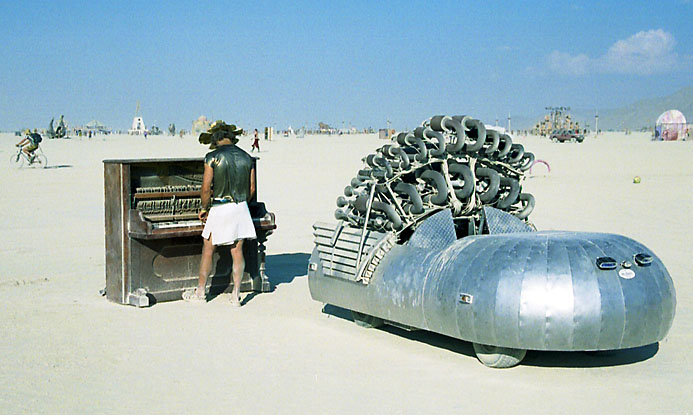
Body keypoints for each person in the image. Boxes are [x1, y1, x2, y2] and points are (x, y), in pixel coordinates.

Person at [183, 121, 257, 306]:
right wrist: (239, 205)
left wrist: (203, 208)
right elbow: (252, 189)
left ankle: (200, 292)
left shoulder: (212, 157)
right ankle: (236, 295)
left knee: (208, 250)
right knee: (237, 251)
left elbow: (206, 188)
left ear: (215, 140)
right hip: (241, 208)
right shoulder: (248, 157)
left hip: (220, 207)